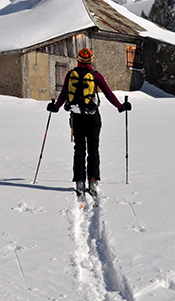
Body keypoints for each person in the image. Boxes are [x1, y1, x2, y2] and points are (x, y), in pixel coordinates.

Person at [47, 47, 131, 196]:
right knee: (93, 148)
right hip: (93, 117)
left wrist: (55, 108)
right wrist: (120, 107)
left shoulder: (70, 74)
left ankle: (79, 182)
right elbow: (109, 94)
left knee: (79, 148)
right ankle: (93, 181)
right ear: (91, 60)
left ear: (78, 60)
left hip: (76, 117)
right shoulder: (96, 75)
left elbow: (63, 96)